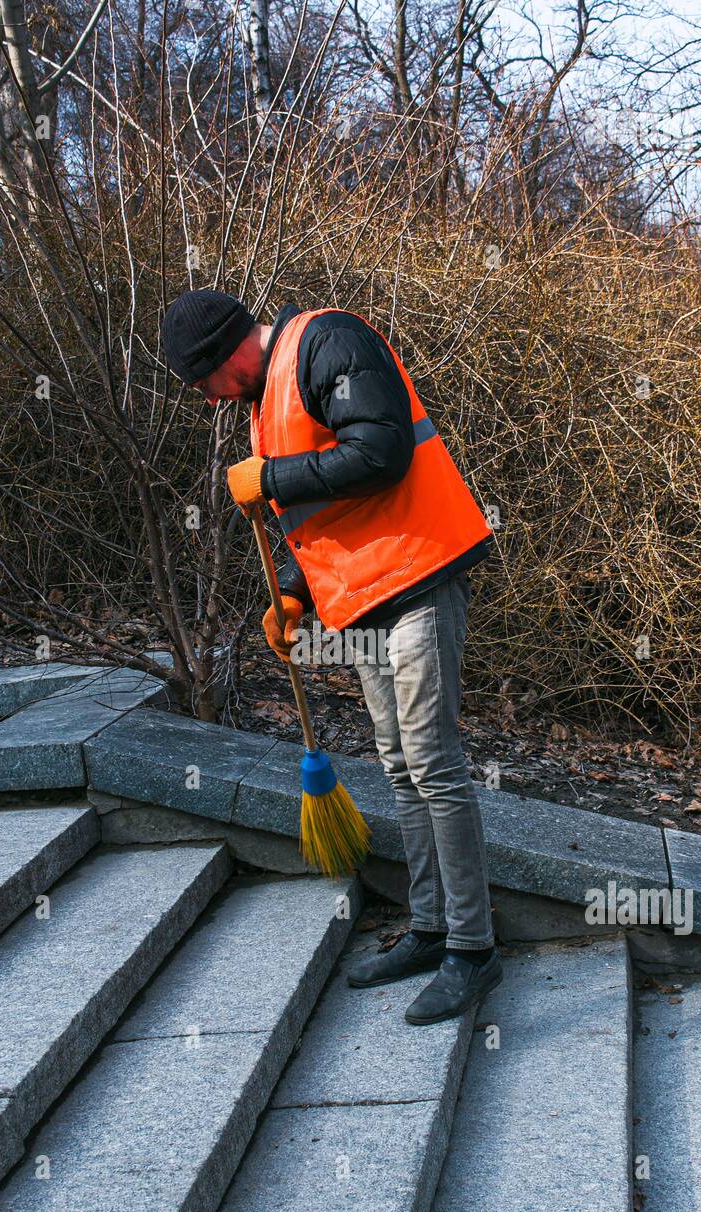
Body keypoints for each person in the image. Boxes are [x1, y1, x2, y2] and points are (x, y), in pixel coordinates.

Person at [161, 288, 503, 1025]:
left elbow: (377, 454)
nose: (209, 400)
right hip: (365, 594)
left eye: (203, 383)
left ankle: (473, 951)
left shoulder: (330, 343)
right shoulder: (266, 398)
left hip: (421, 574)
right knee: (400, 764)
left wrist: (270, 479)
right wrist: (290, 595)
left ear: (228, 351)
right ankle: (431, 926)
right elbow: (320, 513)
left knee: (434, 763)